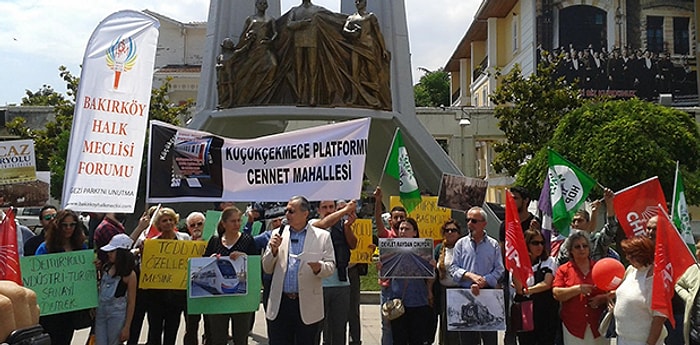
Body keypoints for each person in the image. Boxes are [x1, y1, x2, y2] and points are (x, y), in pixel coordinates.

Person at [262, 195, 335, 344]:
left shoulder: (322, 236)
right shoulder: (278, 234)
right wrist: (273, 251)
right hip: (281, 304)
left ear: (305, 214)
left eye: (291, 211)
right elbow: (267, 268)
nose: (287, 214)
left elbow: (330, 266)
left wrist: (318, 267)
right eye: (286, 211)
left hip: (306, 304)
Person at [449, 206, 505, 345]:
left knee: (489, 339)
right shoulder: (460, 244)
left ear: (484, 223)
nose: (469, 224)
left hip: (487, 294)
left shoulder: (493, 245)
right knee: (468, 339)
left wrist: (484, 281)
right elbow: (453, 268)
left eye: (474, 221)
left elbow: (499, 269)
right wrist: (468, 275)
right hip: (465, 294)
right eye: (467, 220)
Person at [204, 206, 259, 345]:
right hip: (218, 297)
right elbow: (202, 267)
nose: (237, 224)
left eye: (239, 220)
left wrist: (244, 257)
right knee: (218, 338)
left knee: (240, 338)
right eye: (233, 221)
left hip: (241, 298)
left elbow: (256, 267)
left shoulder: (247, 239)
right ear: (224, 223)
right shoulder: (214, 241)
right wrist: (210, 259)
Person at [35, 209, 88, 345]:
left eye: (72, 225)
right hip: (50, 309)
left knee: (65, 340)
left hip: (70, 308)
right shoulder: (45, 248)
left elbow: (85, 275)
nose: (68, 228)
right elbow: (37, 276)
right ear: (58, 225)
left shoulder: (80, 247)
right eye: (65, 225)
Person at [138, 207, 190, 345]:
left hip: (176, 296)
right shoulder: (151, 243)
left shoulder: (185, 239)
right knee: (154, 333)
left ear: (175, 221)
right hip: (156, 297)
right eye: (164, 220)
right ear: (158, 224)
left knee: (171, 333)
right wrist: (144, 252)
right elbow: (146, 268)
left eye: (171, 220)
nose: (168, 223)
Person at [312, 200, 358, 345]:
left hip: (341, 283)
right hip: (319, 285)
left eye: (331, 207)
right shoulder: (313, 225)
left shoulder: (341, 225)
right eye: (324, 207)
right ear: (318, 210)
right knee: (316, 328)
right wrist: (345, 211)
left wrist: (347, 227)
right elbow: (325, 223)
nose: (329, 210)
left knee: (339, 329)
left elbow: (353, 244)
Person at [381, 218, 434, 345]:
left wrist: (432, 267)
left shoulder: (424, 252)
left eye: (407, 229)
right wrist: (381, 268)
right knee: (399, 340)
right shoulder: (391, 251)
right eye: (401, 229)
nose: (403, 231)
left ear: (415, 233)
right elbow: (383, 278)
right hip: (398, 303)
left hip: (418, 302)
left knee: (417, 339)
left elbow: (431, 278)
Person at [552, 231, 608, 345]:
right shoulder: (564, 270)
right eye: (577, 247)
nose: (582, 249)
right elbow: (556, 293)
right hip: (573, 327)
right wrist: (577, 289)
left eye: (585, 246)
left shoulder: (600, 268)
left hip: (599, 326)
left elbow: (614, 292)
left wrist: (602, 298)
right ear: (571, 251)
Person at [614, 235, 667, 345]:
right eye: (627, 254)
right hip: (623, 338)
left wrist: (650, 343)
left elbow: (659, 318)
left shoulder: (656, 280)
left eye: (631, 255)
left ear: (643, 255)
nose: (628, 258)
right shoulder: (631, 270)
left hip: (643, 341)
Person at [512, 229, 559, 345]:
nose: (540, 246)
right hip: (525, 313)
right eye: (535, 243)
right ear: (526, 244)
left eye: (542, 243)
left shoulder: (549, 261)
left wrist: (527, 290)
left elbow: (546, 284)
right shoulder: (518, 264)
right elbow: (518, 289)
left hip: (545, 314)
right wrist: (516, 266)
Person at [342, 0, 391, 108]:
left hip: (369, 47)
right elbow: (344, 30)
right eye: (356, 1)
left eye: (360, 1)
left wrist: (383, 49)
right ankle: (354, 97)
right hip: (356, 47)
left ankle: (376, 97)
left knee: (372, 73)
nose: (357, 3)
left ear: (365, 3)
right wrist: (352, 32)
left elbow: (378, 33)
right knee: (354, 72)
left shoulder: (370, 16)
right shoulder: (351, 18)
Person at [228, 0, 278, 106]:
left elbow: (275, 33)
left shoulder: (270, 19)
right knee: (250, 72)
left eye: (264, 3)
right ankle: (249, 97)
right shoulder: (250, 19)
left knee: (273, 66)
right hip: (253, 49)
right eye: (260, 3)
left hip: (265, 48)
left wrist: (270, 41)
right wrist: (248, 38)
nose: (263, 5)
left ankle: (264, 96)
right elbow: (244, 34)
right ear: (256, 5)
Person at [374, 186, 407, 345]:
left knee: (403, 324)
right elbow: (378, 221)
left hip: (405, 287)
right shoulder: (387, 235)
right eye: (396, 217)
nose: (400, 220)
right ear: (391, 220)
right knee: (387, 325)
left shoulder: (411, 238)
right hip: (388, 287)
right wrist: (378, 201)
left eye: (402, 217)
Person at [556, 188, 620, 265]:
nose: (576, 224)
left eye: (580, 221)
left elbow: (611, 228)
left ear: (588, 223)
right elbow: (560, 267)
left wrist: (609, 203)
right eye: (574, 221)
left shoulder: (597, 241)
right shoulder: (565, 246)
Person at [95, 234, 137, 345]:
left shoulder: (130, 275)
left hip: (117, 314)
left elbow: (131, 302)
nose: (109, 254)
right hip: (101, 312)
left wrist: (127, 327)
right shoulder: (106, 267)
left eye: (112, 251)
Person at [286, 0, 325, 105]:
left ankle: (312, 97)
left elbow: (332, 17)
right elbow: (289, 24)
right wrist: (301, 23)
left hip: (312, 41)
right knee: (299, 71)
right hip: (298, 42)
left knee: (313, 70)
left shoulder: (317, 10)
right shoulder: (295, 10)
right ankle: (300, 97)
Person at [434, 219, 463, 345]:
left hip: (460, 292)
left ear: (459, 233)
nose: (450, 232)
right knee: (445, 326)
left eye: (453, 230)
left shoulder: (464, 247)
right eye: (447, 230)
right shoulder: (439, 249)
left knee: (460, 325)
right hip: (443, 292)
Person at [184, 211, 206, 345]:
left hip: (210, 289)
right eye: (193, 225)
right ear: (188, 228)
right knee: (191, 326)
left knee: (211, 326)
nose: (196, 227)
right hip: (190, 291)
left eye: (200, 224)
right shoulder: (183, 243)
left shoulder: (214, 240)